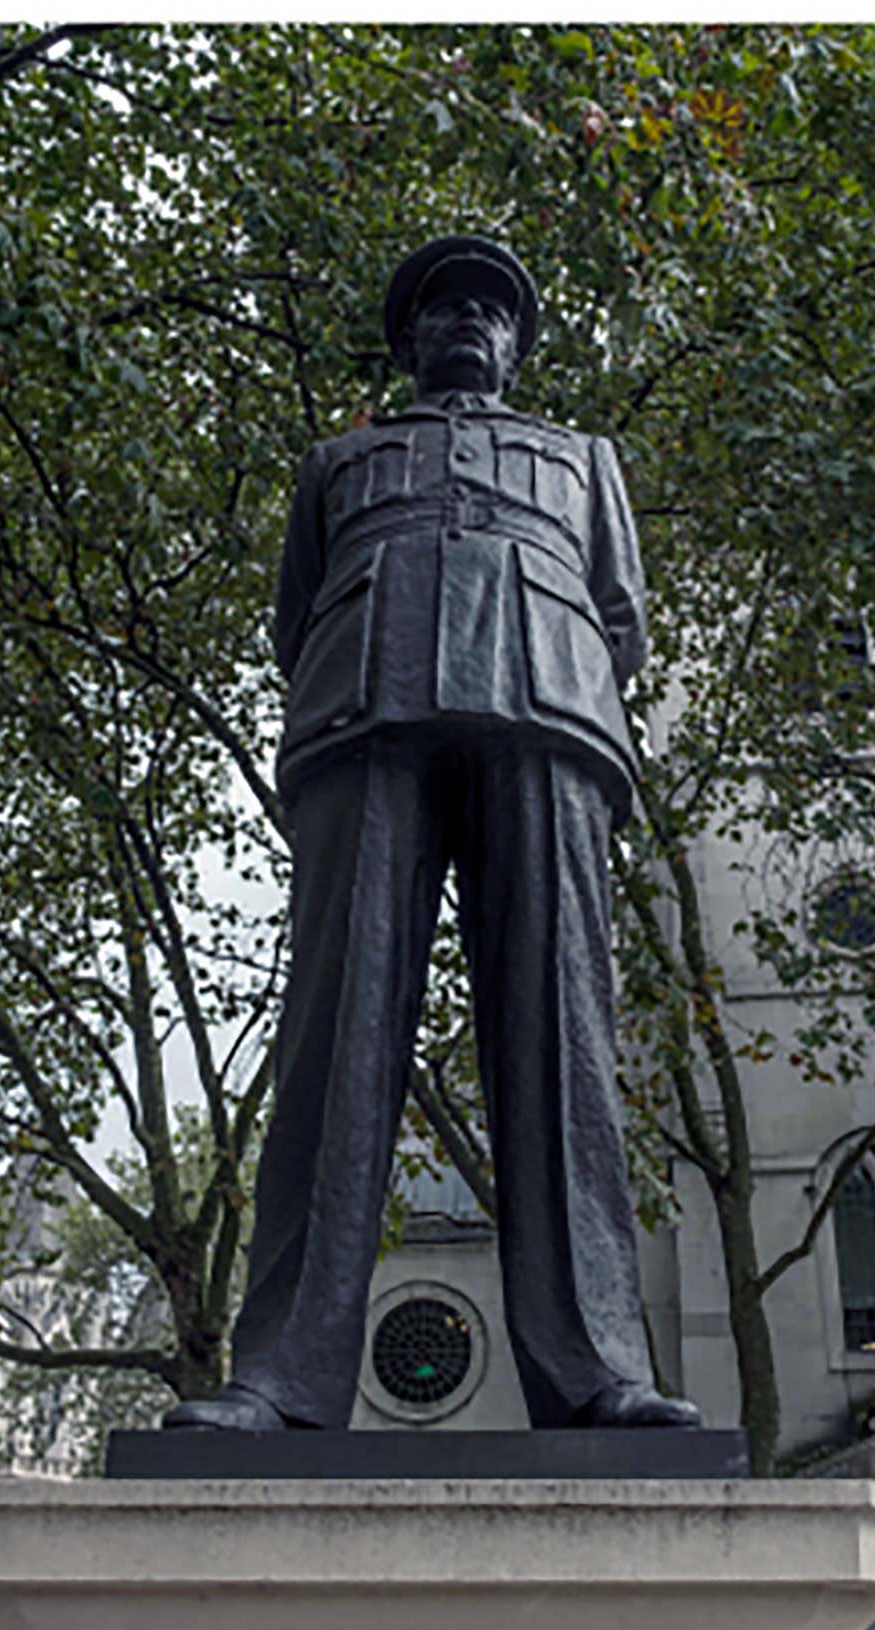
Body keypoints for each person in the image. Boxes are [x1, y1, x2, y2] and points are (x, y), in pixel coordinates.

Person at [166, 235, 694, 1431]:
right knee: (334, 1042)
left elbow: (620, 615)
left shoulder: (580, 461)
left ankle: (596, 1368)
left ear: (516, 342)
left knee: (563, 1043)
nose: (469, 322)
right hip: (368, 705)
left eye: (491, 310)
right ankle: (282, 1379)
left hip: (546, 713)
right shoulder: (338, 462)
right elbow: (296, 612)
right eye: (446, 309)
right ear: (409, 342)